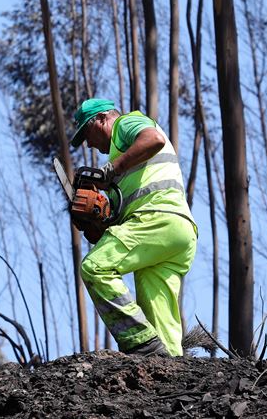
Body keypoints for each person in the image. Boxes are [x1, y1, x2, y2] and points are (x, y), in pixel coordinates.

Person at [69, 98, 197, 356]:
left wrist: (109, 170)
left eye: (88, 133)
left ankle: (140, 343)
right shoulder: (126, 168)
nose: (90, 143)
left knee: (95, 268)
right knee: (159, 315)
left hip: (155, 219)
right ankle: (171, 368)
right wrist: (94, 223)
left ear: (103, 118)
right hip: (178, 232)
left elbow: (154, 139)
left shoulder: (126, 124)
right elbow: (111, 228)